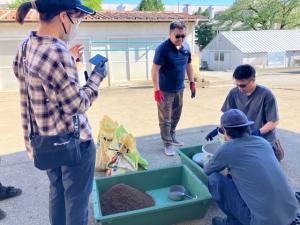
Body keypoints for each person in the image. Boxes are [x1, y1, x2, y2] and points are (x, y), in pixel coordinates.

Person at [13, 1, 107, 225]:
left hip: (44, 142)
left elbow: (26, 75)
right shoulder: (56, 52)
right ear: (64, 17)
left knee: (57, 193)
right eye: (78, 18)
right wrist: (97, 77)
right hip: (74, 144)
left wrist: (69, 59)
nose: (78, 23)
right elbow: (77, 105)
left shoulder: (28, 44)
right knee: (77, 204)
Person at [204, 109, 299, 225]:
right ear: (247, 127)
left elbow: (207, 170)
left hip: (263, 222)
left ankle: (232, 222)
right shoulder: (263, 142)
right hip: (291, 213)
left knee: (214, 180)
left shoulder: (228, 148)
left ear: (225, 131)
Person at [206, 64, 284, 161]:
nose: (239, 88)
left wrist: (257, 132)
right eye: (237, 85)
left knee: (261, 165)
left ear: (253, 80)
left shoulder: (266, 95)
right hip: (243, 138)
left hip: (264, 140)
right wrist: (219, 129)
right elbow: (227, 117)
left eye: (243, 85)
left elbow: (274, 122)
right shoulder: (233, 93)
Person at [151, 20, 196, 156]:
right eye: (177, 36)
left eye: (183, 36)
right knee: (165, 118)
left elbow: (188, 65)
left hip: (179, 89)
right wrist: (156, 89)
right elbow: (154, 70)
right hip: (165, 91)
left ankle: (172, 135)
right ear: (170, 34)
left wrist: (192, 82)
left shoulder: (186, 47)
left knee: (176, 115)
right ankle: (167, 143)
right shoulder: (162, 49)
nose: (180, 39)